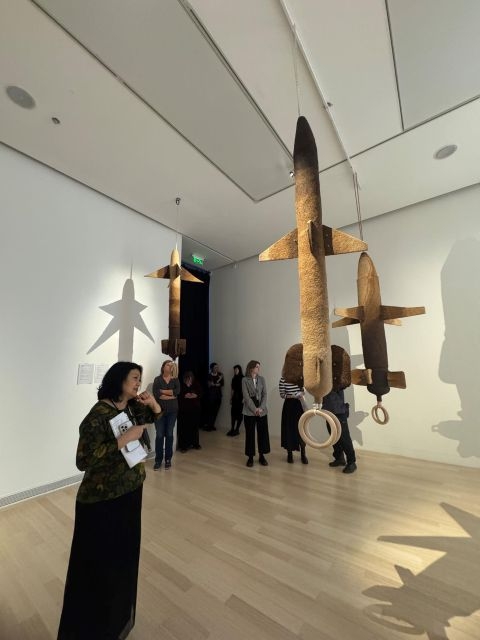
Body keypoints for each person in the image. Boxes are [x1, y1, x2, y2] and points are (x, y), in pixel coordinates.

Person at [58, 361, 161, 639]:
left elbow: (154, 417)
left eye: (139, 379)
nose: (138, 383)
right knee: (99, 566)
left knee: (123, 560)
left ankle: (117, 620)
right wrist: (123, 439)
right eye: (135, 378)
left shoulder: (130, 407)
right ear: (119, 380)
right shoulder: (97, 415)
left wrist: (153, 403)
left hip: (131, 492)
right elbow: (84, 460)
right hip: (103, 501)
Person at [152, 360, 180, 470]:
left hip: (172, 411)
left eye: (171, 365)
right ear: (163, 367)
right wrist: (170, 395)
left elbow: (177, 392)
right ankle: (158, 460)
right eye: (168, 365)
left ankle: (168, 459)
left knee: (169, 434)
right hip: (159, 411)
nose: (170, 367)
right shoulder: (157, 379)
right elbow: (157, 394)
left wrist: (163, 391)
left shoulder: (175, 380)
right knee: (159, 435)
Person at [242, 360, 270, 467]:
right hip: (249, 410)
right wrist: (255, 409)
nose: (259, 368)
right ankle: (250, 457)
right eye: (257, 367)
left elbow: (265, 394)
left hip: (262, 410)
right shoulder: (244, 380)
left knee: (262, 433)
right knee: (250, 434)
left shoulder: (262, 379)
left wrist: (261, 408)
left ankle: (262, 456)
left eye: (259, 367)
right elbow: (246, 397)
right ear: (251, 368)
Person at [322, 387, 357, 474]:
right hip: (328, 411)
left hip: (339, 411)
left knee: (344, 439)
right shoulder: (324, 380)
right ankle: (339, 459)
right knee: (333, 438)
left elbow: (344, 384)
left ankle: (352, 463)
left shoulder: (337, 379)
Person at [279, 378, 308, 464]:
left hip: (299, 405)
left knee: (301, 430)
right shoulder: (283, 379)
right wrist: (292, 396)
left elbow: (304, 390)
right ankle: (289, 454)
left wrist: (301, 393)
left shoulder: (300, 378)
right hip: (289, 406)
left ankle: (303, 454)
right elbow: (282, 395)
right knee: (289, 430)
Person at [177, 371, 203, 452]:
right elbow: (179, 395)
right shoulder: (181, 385)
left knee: (194, 427)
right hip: (184, 411)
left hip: (194, 410)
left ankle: (195, 443)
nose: (189, 380)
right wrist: (185, 395)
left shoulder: (196, 384)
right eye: (188, 379)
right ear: (185, 379)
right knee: (184, 428)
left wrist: (195, 395)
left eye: (190, 379)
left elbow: (200, 393)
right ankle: (183, 446)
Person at [205, 362, 224, 431]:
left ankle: (212, 425)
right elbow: (210, 384)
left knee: (216, 411)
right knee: (210, 411)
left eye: (217, 367)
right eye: (215, 367)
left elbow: (222, 384)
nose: (217, 368)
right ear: (212, 368)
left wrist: (215, 384)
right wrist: (218, 381)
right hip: (211, 396)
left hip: (218, 396)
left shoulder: (220, 374)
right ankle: (209, 426)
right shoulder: (209, 376)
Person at [226, 364, 244, 436]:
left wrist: (244, 398)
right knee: (233, 414)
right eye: (234, 370)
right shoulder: (233, 378)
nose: (235, 371)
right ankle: (232, 429)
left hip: (241, 398)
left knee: (240, 414)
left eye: (236, 370)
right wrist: (231, 398)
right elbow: (232, 389)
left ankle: (237, 429)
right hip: (234, 399)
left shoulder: (243, 378)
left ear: (239, 370)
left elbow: (245, 390)